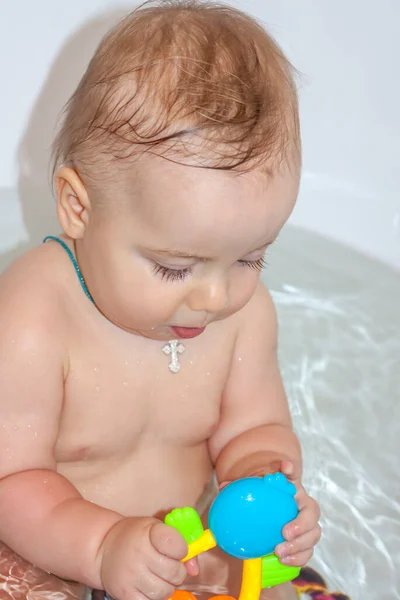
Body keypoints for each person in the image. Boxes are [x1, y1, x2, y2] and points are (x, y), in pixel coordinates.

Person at [0, 2, 321, 599]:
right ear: (78, 207)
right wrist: (99, 548)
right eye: (174, 267)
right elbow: (12, 478)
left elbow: (257, 427)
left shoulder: (243, 315)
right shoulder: (33, 317)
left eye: (251, 258)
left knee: (281, 587)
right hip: (51, 547)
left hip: (190, 550)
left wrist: (264, 484)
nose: (217, 296)